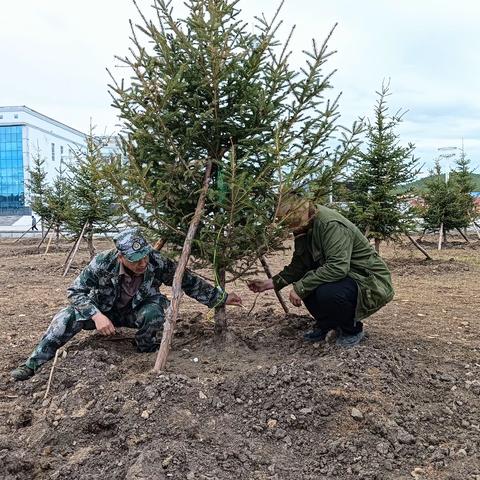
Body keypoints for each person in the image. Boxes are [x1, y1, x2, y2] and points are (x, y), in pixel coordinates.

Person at [11, 227, 242, 381]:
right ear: (121, 257)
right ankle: (32, 364)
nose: (143, 263)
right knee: (64, 318)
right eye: (135, 260)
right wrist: (96, 315)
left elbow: (187, 282)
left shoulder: (155, 261)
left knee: (154, 313)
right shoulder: (101, 263)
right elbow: (75, 291)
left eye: (145, 256)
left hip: (136, 311)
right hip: (104, 311)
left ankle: (145, 352)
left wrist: (220, 298)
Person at [248, 197, 394, 347]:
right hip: (347, 276)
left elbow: (338, 267)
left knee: (325, 291)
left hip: (368, 280)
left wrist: (301, 287)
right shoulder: (305, 226)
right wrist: (271, 283)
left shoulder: (330, 225)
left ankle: (352, 330)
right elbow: (301, 265)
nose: (292, 228)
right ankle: (329, 326)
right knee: (307, 283)